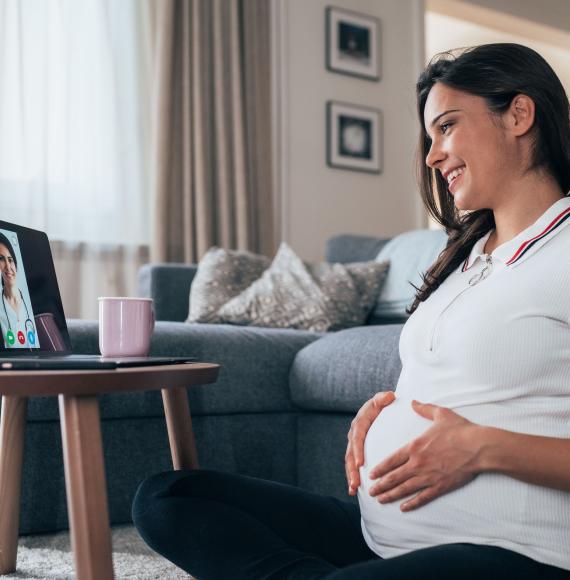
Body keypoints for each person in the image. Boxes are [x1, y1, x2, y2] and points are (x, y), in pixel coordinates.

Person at [132, 43, 570, 579]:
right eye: (430, 137)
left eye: (448, 126)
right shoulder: (465, 254)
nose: (433, 155)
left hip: (518, 552)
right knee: (168, 498)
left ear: (519, 115)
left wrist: (480, 449)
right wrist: (393, 406)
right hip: (380, 537)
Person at [0, 232, 36, 349]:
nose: (8, 267)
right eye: (1, 259)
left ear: (15, 264)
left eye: (10, 260)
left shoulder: (31, 304)